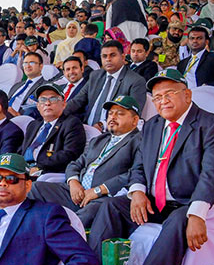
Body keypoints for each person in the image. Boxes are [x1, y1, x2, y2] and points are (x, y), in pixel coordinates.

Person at [91, 69, 214, 265]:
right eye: (157, 97)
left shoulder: (213, 126)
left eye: (170, 93)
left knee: (182, 217)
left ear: (187, 95)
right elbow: (138, 166)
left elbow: (212, 175)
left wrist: (198, 213)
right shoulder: (152, 126)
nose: (163, 101)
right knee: (110, 207)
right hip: (156, 202)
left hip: (191, 202)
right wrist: (137, 192)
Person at [31, 95, 141, 227]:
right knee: (35, 188)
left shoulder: (140, 141)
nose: (112, 117)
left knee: (88, 213)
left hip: (104, 197)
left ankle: (58, 239)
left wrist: (99, 190)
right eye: (110, 113)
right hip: (78, 192)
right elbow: (75, 164)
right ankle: (32, 231)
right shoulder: (100, 140)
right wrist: (73, 182)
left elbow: (135, 174)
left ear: (135, 120)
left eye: (120, 114)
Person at [0, 84, 86, 208]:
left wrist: (39, 166)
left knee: (11, 182)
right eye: (42, 100)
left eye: (53, 99)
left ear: (63, 104)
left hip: (44, 171)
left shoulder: (71, 124)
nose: (47, 103)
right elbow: (21, 151)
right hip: (23, 169)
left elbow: (70, 154)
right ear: (38, 106)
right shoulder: (34, 125)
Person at [65, 40, 147, 131]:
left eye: (112, 55)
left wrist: (102, 125)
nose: (108, 59)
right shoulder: (95, 75)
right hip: (86, 129)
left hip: (112, 133)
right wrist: (57, 112)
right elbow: (77, 101)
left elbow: (133, 113)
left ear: (123, 57)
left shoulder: (135, 81)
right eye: (104, 56)